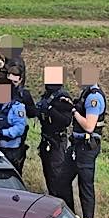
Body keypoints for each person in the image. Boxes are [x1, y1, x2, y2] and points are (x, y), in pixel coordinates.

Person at [66, 65, 107, 218]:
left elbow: (89, 126)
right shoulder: (86, 94)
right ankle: (69, 217)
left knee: (85, 188)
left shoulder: (93, 98)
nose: (76, 82)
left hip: (86, 148)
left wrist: (74, 111)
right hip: (77, 146)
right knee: (61, 180)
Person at [36, 65, 75, 204]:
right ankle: (53, 202)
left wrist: (51, 109)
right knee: (48, 175)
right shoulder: (46, 95)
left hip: (57, 141)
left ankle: (66, 208)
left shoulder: (63, 97)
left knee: (57, 176)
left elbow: (66, 120)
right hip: (46, 139)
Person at [4, 61, 37, 175]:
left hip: (17, 139)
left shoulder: (24, 94)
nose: (12, 85)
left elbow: (32, 113)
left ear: (20, 80)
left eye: (14, 82)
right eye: (9, 81)